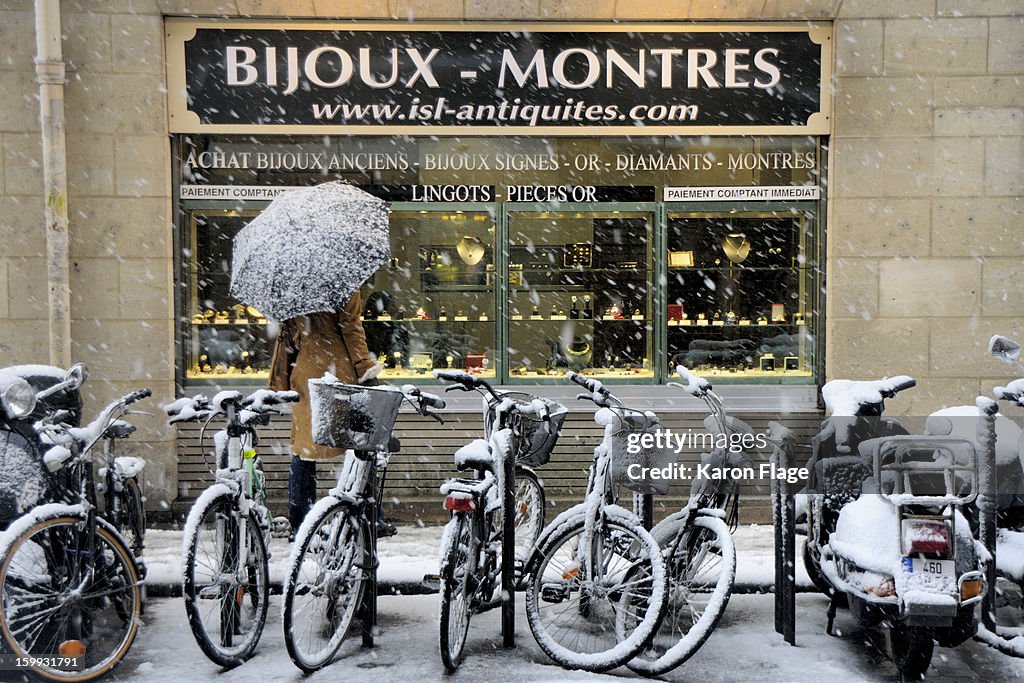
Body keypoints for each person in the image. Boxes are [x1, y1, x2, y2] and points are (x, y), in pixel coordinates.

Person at [268, 291, 382, 537]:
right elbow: (351, 328)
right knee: (361, 445)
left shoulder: (294, 285)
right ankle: (366, 517)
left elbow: (289, 333)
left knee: (303, 450)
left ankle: (302, 522)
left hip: (305, 370)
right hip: (341, 368)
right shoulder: (342, 283)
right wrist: (365, 366)